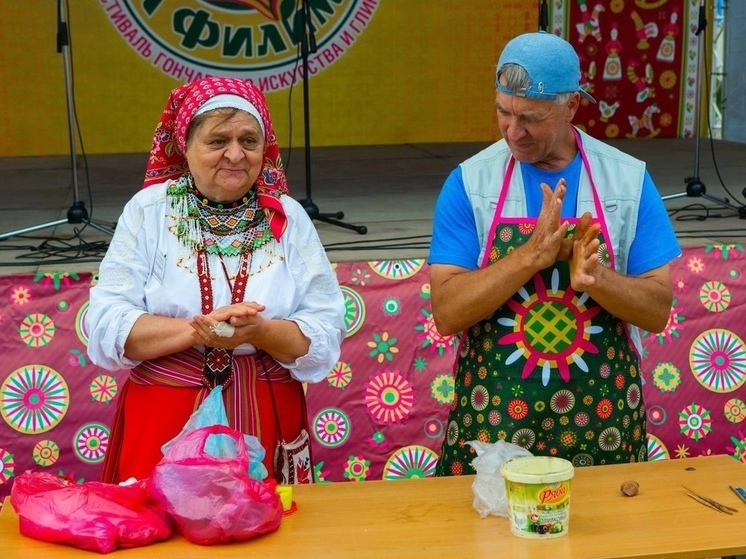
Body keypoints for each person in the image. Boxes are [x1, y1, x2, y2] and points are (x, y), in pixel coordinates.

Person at [429, 32, 681, 475]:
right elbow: (447, 313)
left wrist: (597, 278)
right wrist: (530, 256)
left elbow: (658, 310)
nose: (514, 131)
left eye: (532, 118)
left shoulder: (628, 181)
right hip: (494, 424)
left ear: (572, 107)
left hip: (603, 426)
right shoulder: (470, 184)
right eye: (503, 113)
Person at [86, 77, 346, 484]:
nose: (236, 154)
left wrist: (260, 332)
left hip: (267, 413)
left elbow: (325, 329)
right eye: (217, 141)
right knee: (164, 540)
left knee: (269, 540)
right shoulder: (150, 210)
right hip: (165, 418)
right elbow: (106, 322)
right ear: (184, 147)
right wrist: (196, 331)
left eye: (249, 140)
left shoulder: (289, 217)